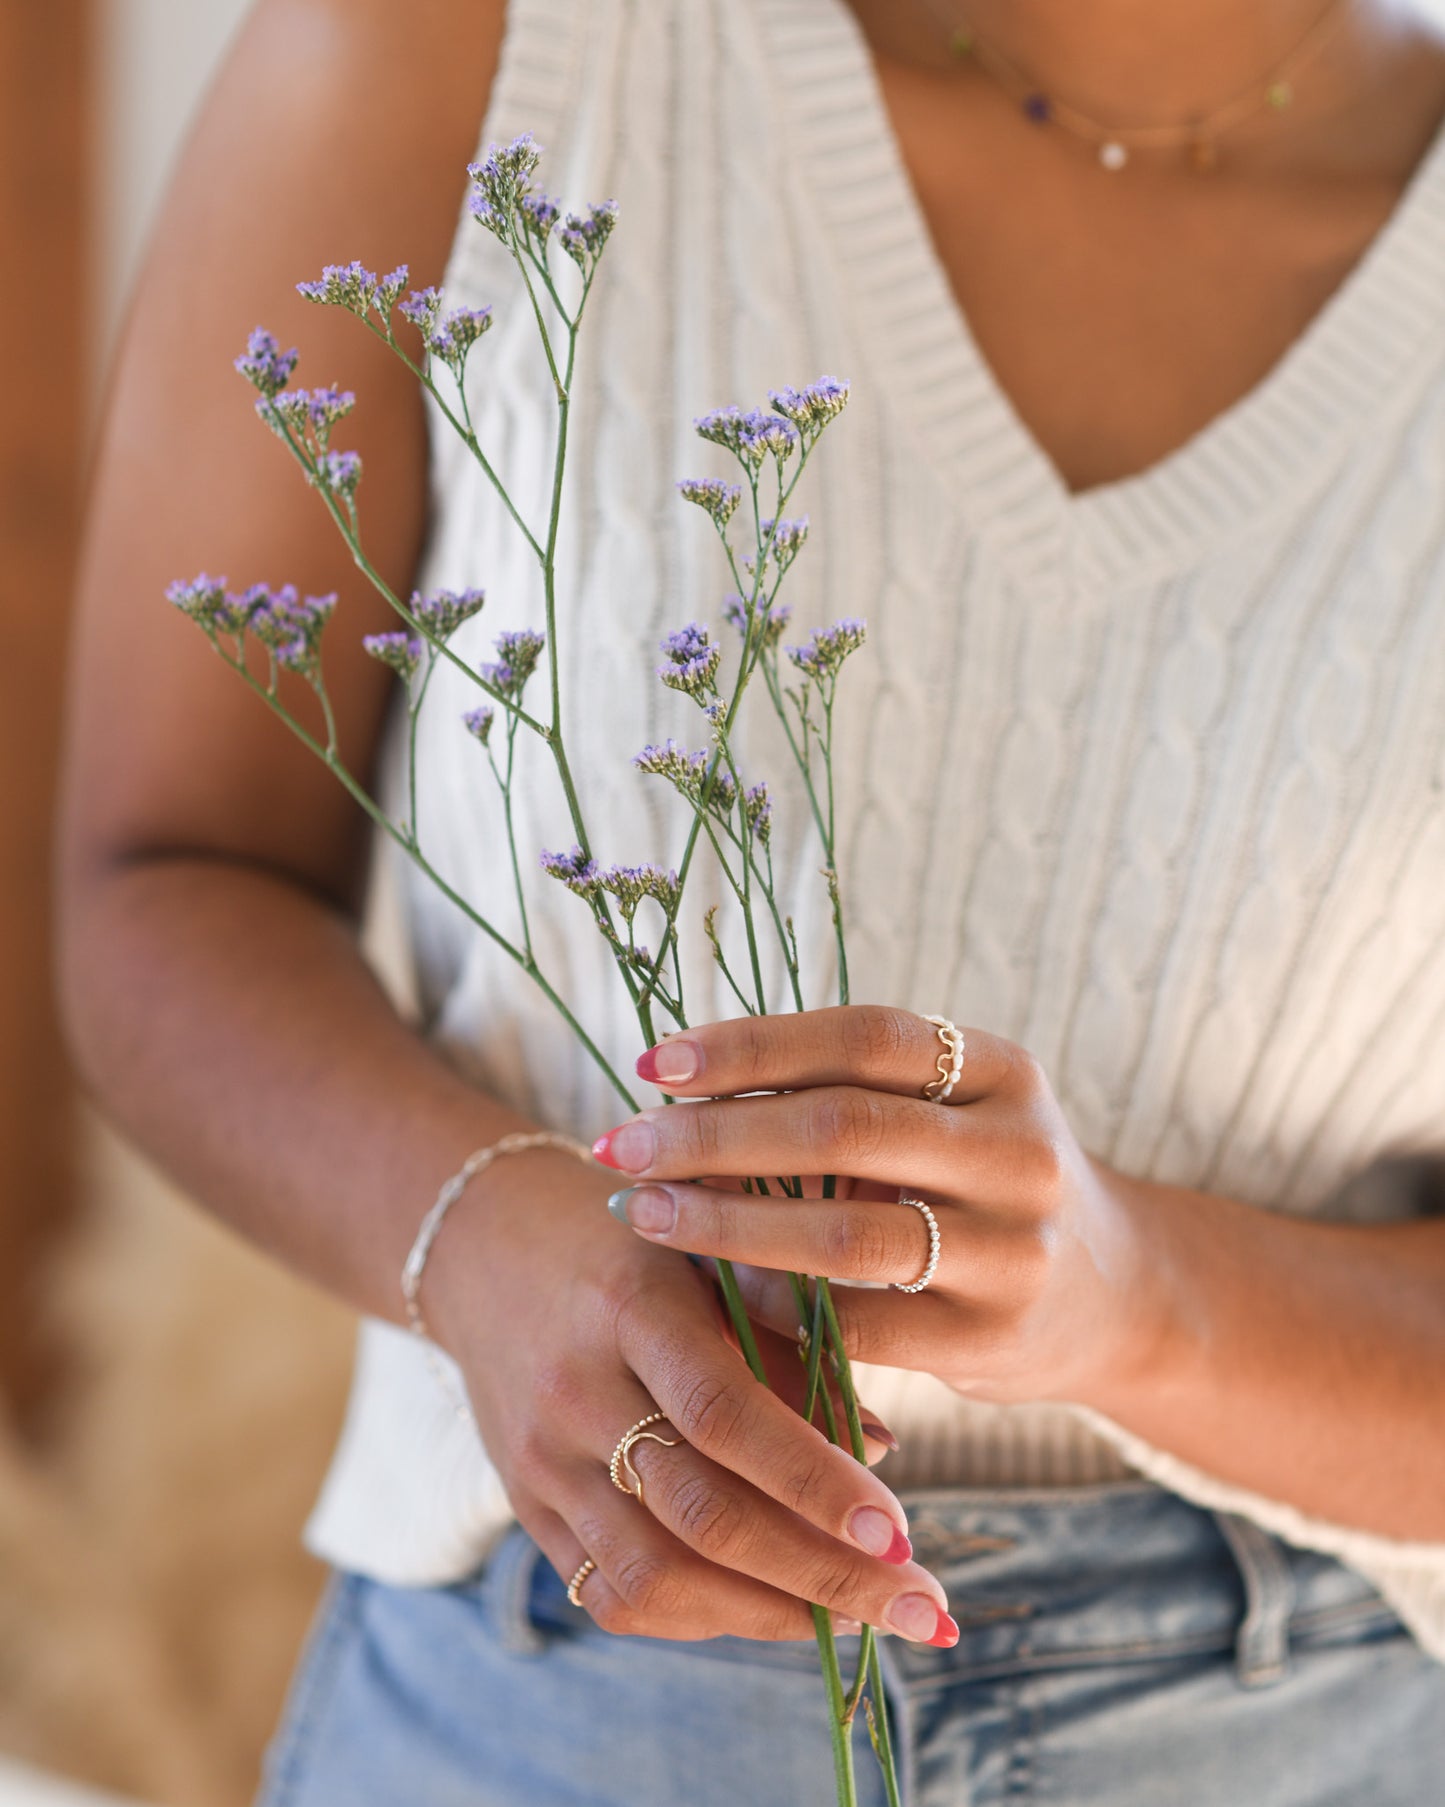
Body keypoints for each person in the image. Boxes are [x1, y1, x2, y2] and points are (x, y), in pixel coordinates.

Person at [57, 0, 1445, 1800]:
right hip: (538, 1710)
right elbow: (163, 877)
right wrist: (474, 1233)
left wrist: (1143, 1297)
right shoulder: (469, 53)